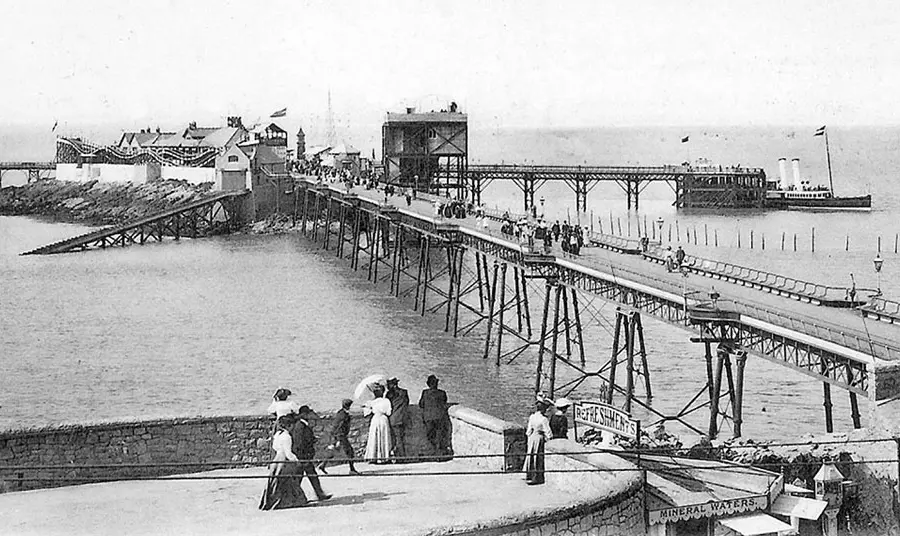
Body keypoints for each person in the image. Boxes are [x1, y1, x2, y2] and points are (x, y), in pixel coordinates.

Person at [259, 414, 308, 510]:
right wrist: (296, 460)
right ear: (289, 426)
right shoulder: (287, 437)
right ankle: (288, 501)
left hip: (277, 458)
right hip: (284, 460)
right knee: (287, 480)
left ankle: (271, 500)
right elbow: (288, 453)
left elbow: (274, 447)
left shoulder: (277, 434)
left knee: (276, 480)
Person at [292, 406, 332, 502]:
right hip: (303, 456)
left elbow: (305, 439)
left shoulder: (302, 425)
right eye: (308, 413)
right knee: (300, 478)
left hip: (304, 456)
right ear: (304, 414)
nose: (310, 415)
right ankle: (295, 497)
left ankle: (318, 494)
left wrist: (313, 439)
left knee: (308, 476)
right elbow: (300, 442)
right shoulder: (300, 426)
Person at [317, 399, 359, 475]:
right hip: (341, 436)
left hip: (338, 436)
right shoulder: (344, 416)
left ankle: (323, 465)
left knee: (334, 451)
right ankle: (352, 469)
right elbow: (340, 427)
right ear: (348, 406)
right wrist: (338, 438)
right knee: (349, 452)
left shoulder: (340, 413)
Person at [418, 374, 449, 456]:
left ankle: (435, 450)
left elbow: (421, 404)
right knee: (439, 434)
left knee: (430, 435)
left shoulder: (425, 393)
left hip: (429, 418)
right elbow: (444, 402)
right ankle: (438, 452)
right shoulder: (442, 393)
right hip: (439, 417)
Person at [523, 400, 552, 485]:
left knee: (531, 455)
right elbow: (548, 433)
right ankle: (537, 477)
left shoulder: (532, 417)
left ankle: (529, 475)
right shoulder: (544, 419)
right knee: (538, 457)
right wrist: (549, 439)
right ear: (543, 409)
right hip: (539, 438)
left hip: (532, 437)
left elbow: (528, 431)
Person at [364, 384, 392, 463]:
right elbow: (389, 412)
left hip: (375, 419)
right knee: (384, 437)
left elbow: (367, 412)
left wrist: (369, 407)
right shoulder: (386, 401)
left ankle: (373, 456)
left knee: (374, 437)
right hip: (383, 419)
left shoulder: (372, 402)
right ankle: (384, 456)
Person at [386, 377, 410, 462]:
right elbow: (407, 403)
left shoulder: (389, 394)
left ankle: (401, 458)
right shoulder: (404, 392)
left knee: (397, 438)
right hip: (403, 418)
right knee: (401, 438)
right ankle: (401, 456)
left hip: (394, 419)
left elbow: (387, 406)